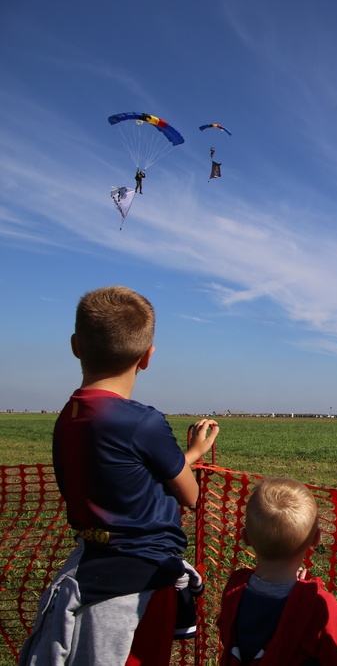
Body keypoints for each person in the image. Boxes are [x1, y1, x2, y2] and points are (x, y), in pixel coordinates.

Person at [19, 285, 220, 666]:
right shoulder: (143, 422)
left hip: (91, 564)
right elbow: (190, 495)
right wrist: (191, 457)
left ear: (76, 346)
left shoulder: (69, 416)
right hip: (141, 581)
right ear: (147, 357)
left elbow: (123, 474)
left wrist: (187, 455)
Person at [217, 477, 337, 666]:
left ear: (245, 537)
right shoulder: (318, 605)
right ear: (316, 539)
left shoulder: (234, 588)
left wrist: (297, 592)